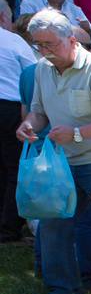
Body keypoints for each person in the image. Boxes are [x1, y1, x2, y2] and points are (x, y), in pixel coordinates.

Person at [16, 9, 91, 294]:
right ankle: (63, 292)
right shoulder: (42, 68)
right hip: (62, 161)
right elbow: (38, 111)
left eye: (50, 44)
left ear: (71, 39)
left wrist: (77, 133)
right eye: (38, 44)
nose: (44, 51)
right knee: (53, 222)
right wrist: (29, 124)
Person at [0, 14, 35, 242]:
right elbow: (33, 72)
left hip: (9, 107)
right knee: (14, 167)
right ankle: (9, 225)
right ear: (3, 17)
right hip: (10, 108)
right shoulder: (13, 41)